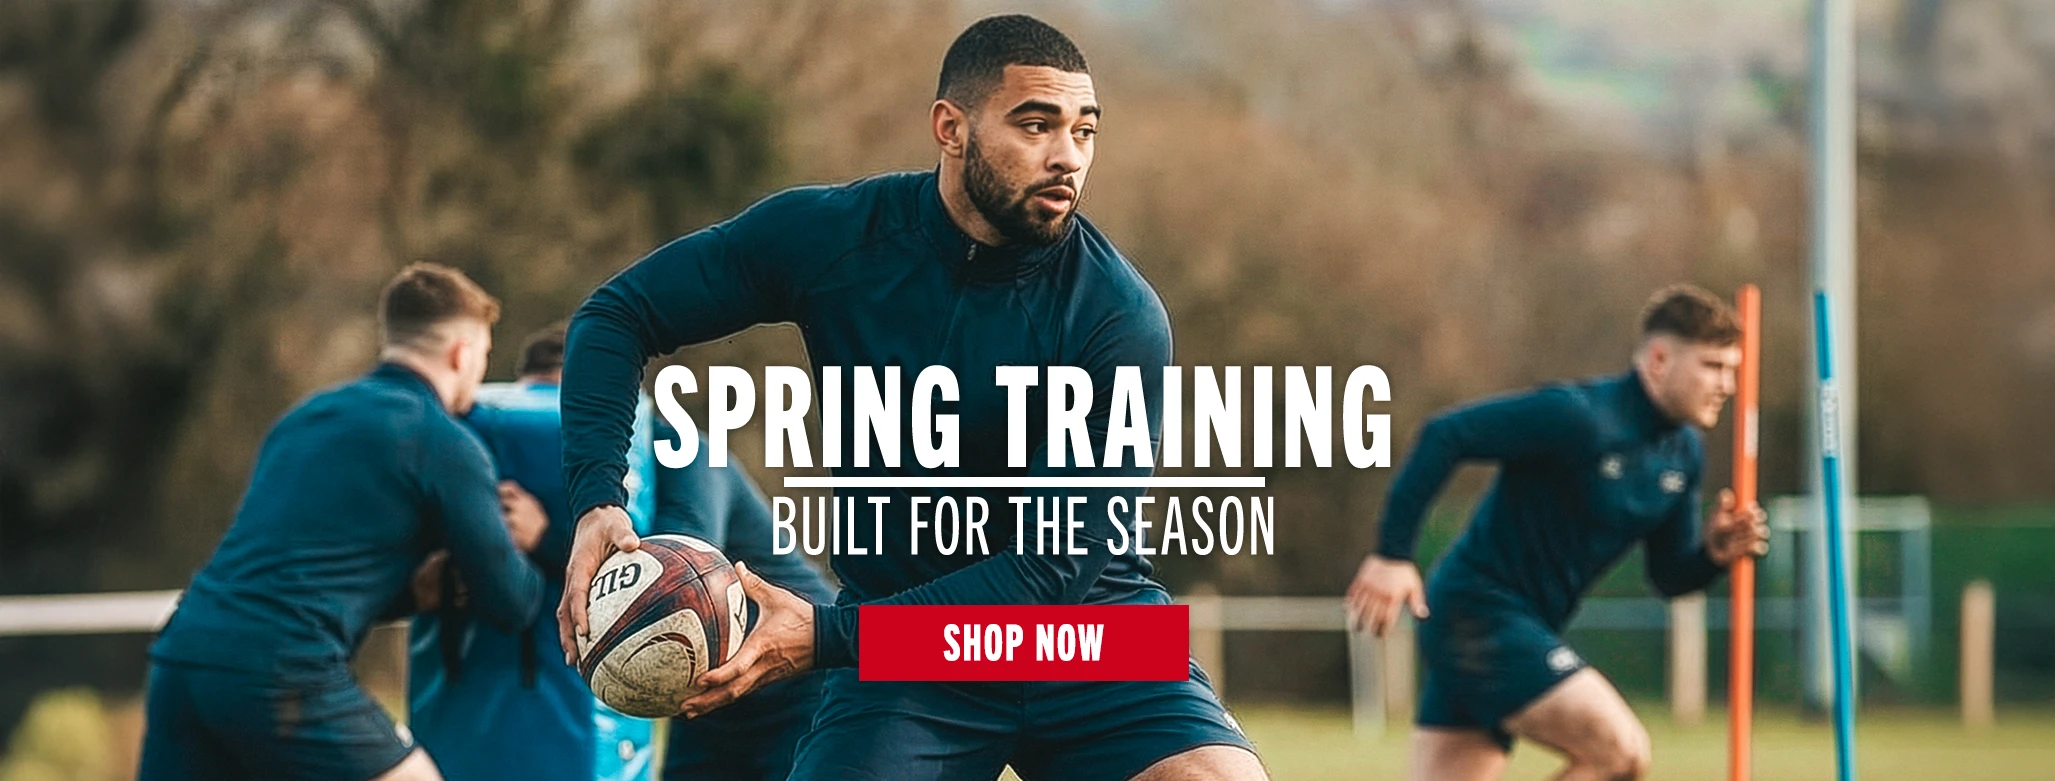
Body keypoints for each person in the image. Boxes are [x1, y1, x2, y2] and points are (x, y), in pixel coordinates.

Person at [555, 14, 1264, 781]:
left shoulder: (1117, 317)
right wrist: (598, 497)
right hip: (906, 649)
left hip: (1081, 630)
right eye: (1034, 124)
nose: (1066, 156)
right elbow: (618, 314)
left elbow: (1049, 571)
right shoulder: (832, 239)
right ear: (949, 128)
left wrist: (829, 636)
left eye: (1084, 131)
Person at [1345, 284, 1773, 781]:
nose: (1727, 386)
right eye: (1713, 367)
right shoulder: (1577, 416)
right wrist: (1392, 554)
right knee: (1621, 752)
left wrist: (1713, 555)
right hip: (1477, 612)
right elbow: (1447, 434)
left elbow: (1670, 576)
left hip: (1519, 627)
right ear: (1659, 359)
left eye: (1733, 370)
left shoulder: (1683, 455)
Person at [139, 264, 547, 781]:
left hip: (182, 657)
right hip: (279, 672)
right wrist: (537, 537)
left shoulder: (306, 417)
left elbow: (293, 568)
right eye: (483, 356)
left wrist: (408, 594)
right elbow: (511, 604)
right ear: (462, 352)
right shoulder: (442, 441)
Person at [407, 324, 835, 781]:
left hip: (800, 677)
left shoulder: (686, 451)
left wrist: (548, 535)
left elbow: (683, 577)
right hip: (708, 692)